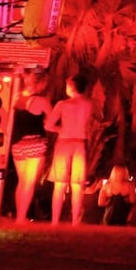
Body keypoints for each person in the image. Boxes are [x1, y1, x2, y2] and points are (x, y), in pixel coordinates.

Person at [45, 74, 94, 225]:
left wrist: (61, 128)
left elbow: (48, 125)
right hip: (80, 143)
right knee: (78, 185)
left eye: (67, 85)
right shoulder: (90, 104)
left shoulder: (63, 104)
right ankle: (75, 222)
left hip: (64, 142)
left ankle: (54, 221)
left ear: (72, 87)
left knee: (59, 183)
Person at [9, 71, 53, 223]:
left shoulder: (16, 97)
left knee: (21, 182)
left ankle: (18, 216)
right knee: (29, 182)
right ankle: (21, 217)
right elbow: (51, 123)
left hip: (17, 145)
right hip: (35, 143)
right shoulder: (42, 101)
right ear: (40, 83)